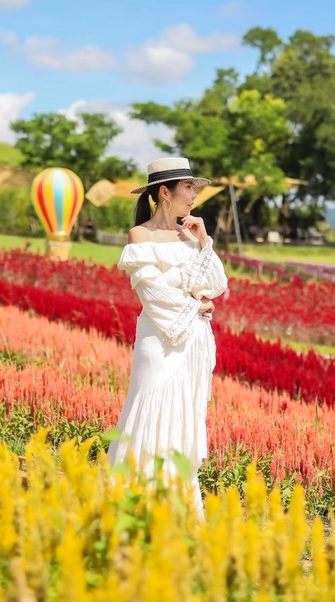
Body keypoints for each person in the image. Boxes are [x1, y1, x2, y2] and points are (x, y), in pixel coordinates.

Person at [108, 157, 228, 520]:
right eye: (188, 187)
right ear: (164, 193)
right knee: (149, 410)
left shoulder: (189, 235)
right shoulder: (140, 236)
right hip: (160, 341)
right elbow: (154, 295)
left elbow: (215, 285)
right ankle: (137, 505)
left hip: (191, 343)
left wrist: (204, 240)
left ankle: (178, 510)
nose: (194, 196)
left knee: (183, 417)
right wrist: (197, 307)